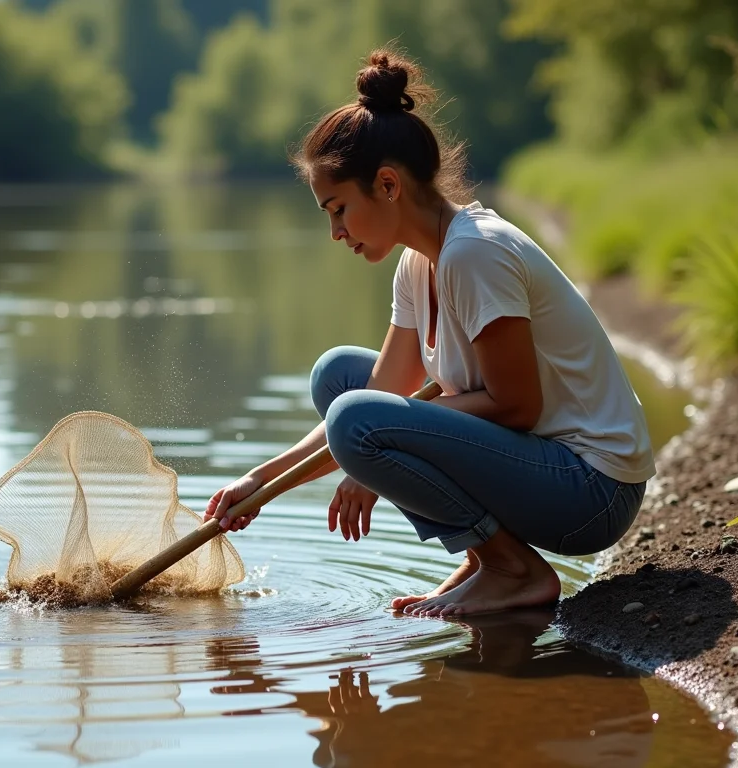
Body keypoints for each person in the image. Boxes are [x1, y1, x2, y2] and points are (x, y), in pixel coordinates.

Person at [202, 49, 655, 617]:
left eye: (338, 208)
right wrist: (261, 481)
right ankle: (487, 553)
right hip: (540, 470)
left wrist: (372, 446)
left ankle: (514, 570)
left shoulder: (475, 255)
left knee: (356, 416)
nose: (336, 232)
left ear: (388, 185)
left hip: (591, 492)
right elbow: (383, 395)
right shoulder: (419, 265)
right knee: (339, 378)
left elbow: (516, 405)